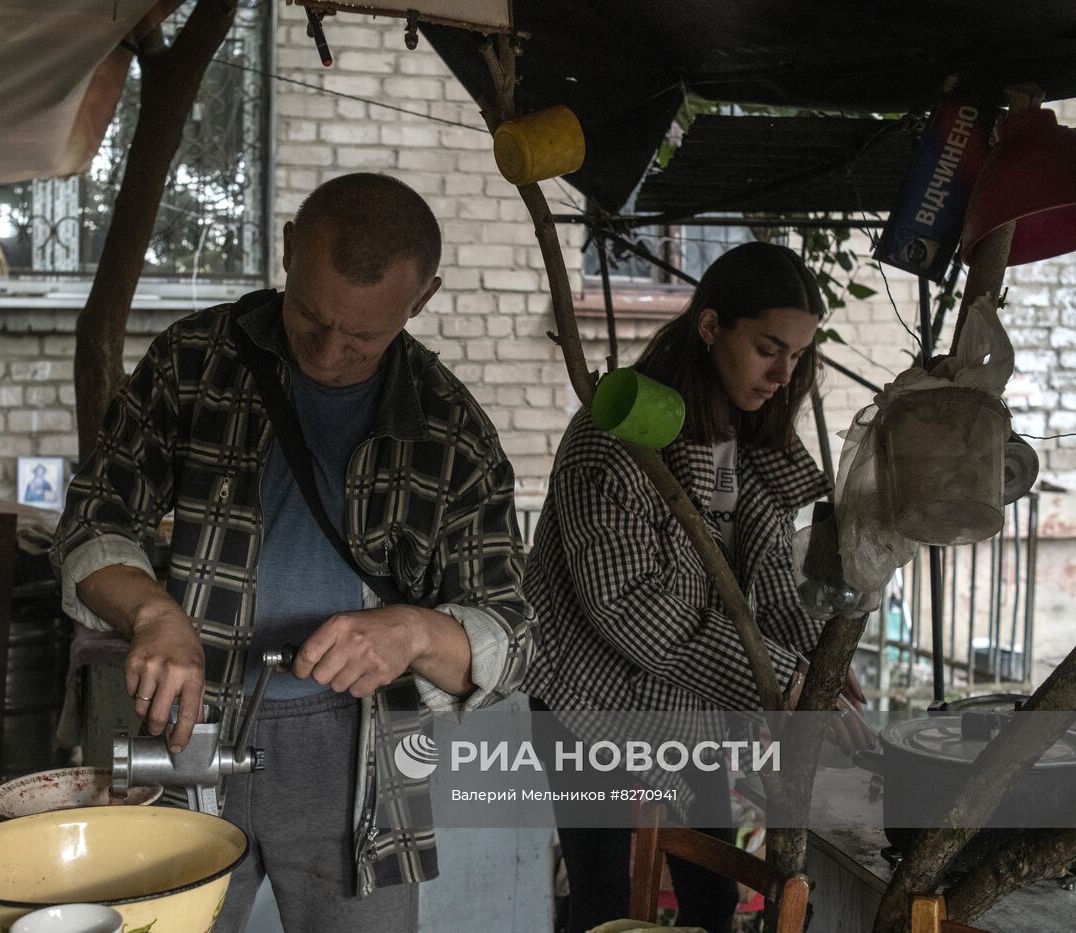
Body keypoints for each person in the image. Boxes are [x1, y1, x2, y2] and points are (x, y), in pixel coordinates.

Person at [51, 173, 533, 933]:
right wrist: (153, 615)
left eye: (364, 335)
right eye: (309, 313)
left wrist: (409, 631)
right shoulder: (194, 361)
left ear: (424, 298)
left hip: (365, 751)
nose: (329, 349)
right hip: (185, 718)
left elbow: (512, 635)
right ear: (288, 250)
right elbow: (92, 520)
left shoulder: (450, 431)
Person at [523, 241, 866, 933]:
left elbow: (764, 575)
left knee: (711, 895)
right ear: (711, 327)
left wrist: (817, 668)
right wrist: (778, 676)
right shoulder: (612, 436)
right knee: (605, 904)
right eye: (769, 347)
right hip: (590, 707)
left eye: (797, 356)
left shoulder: (731, 441)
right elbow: (630, 603)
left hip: (688, 709)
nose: (783, 373)